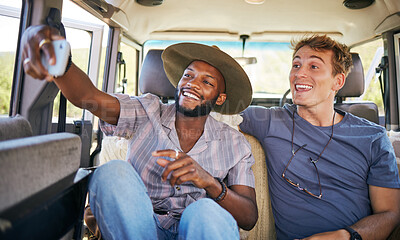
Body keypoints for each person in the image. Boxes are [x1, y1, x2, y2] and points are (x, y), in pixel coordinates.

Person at [21, 25, 257, 240]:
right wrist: (60, 62)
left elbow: (248, 217)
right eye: (188, 75)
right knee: (113, 171)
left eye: (207, 82)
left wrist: (208, 181)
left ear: (220, 98)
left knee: (206, 211)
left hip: (196, 230)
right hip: (140, 227)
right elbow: (89, 98)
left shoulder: (234, 143)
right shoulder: (147, 110)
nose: (192, 83)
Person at [239, 34, 400, 240]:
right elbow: (214, 112)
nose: (299, 74)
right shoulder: (268, 120)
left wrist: (345, 236)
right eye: (296, 65)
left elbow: (390, 213)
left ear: (338, 81)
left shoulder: (372, 137)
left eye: (313, 66)